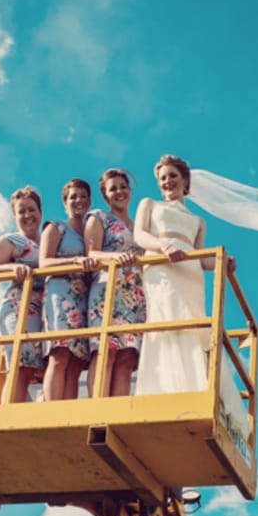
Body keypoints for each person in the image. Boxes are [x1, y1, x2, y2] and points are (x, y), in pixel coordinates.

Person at [133, 154, 227, 396]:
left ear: (184, 180)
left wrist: (223, 263)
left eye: (172, 176)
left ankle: (194, 384)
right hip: (160, 264)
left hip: (190, 273)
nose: (167, 182)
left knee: (192, 322)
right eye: (162, 178)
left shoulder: (198, 221)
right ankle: (164, 387)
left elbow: (202, 259)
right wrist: (163, 247)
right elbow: (139, 235)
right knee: (165, 316)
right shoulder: (150, 204)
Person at [0, 185, 46, 402]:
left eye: (31, 210)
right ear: (14, 216)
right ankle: (10, 412)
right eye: (21, 211)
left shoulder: (47, 241)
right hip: (20, 307)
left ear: (40, 212)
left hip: (44, 311)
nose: (27, 215)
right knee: (21, 364)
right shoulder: (11, 241)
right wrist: (11, 267)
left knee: (39, 369)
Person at [84, 168, 146, 397]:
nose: (119, 192)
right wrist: (115, 257)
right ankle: (98, 405)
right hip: (109, 287)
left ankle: (118, 407)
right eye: (113, 189)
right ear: (105, 195)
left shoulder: (138, 226)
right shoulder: (99, 217)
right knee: (106, 349)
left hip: (135, 293)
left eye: (123, 187)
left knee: (128, 354)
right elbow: (92, 252)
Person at [39, 178, 93, 400]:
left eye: (83, 196)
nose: (78, 200)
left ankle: (69, 410)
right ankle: (52, 408)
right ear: (65, 202)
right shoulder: (56, 227)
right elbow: (44, 263)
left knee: (77, 360)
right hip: (60, 294)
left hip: (84, 298)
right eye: (73, 197)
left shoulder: (90, 233)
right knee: (60, 353)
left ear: (89, 201)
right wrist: (75, 262)